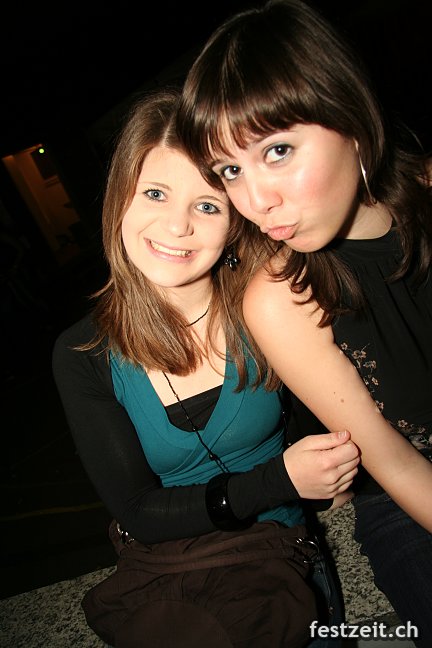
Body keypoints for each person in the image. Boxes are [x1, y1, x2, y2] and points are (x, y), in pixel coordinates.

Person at [52, 88, 361, 648]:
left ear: (234, 222)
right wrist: (281, 480)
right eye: (155, 193)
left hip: (284, 563)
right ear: (119, 201)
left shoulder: (271, 307)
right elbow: (139, 512)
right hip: (179, 576)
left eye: (207, 205)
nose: (178, 227)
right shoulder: (84, 353)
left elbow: (322, 426)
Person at [176, 0, 432, 645]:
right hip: (408, 502)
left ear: (352, 119)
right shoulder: (280, 297)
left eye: (278, 150)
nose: (256, 201)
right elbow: (397, 465)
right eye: (230, 171)